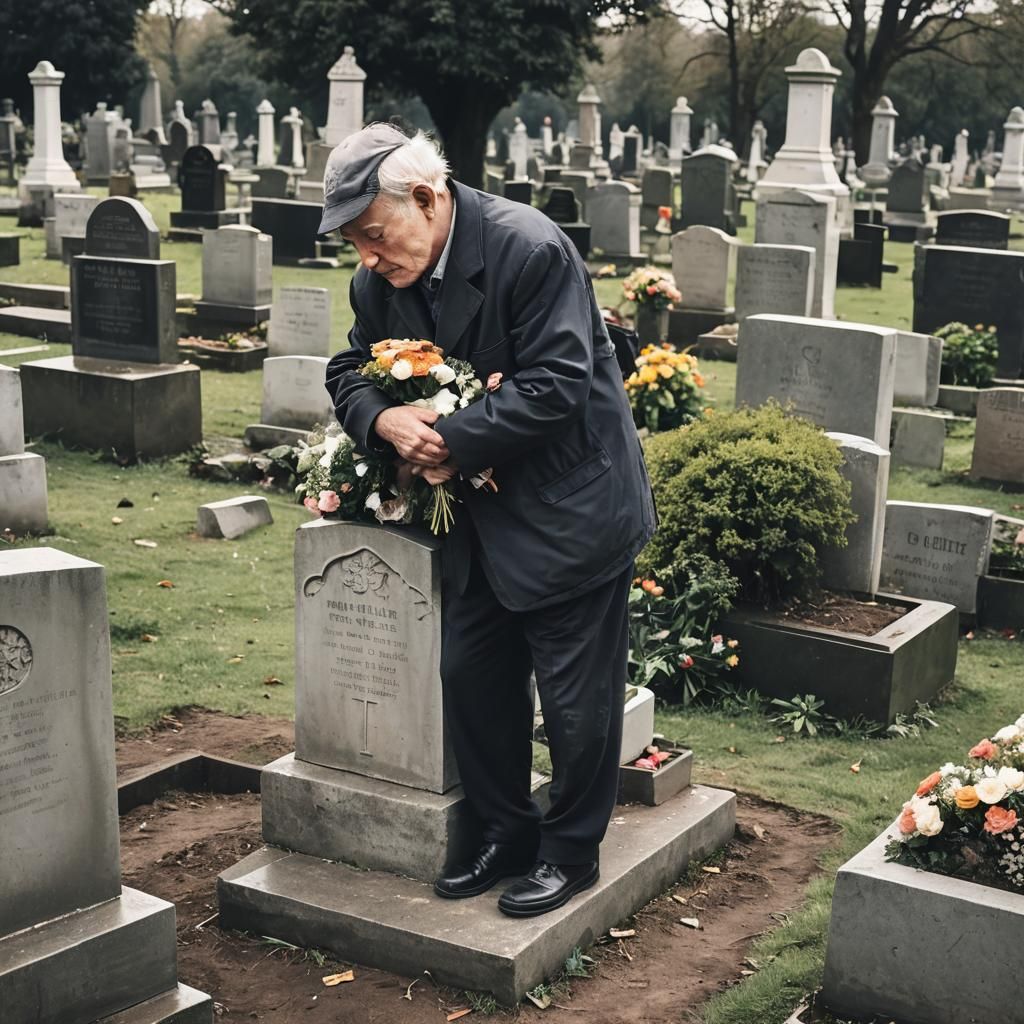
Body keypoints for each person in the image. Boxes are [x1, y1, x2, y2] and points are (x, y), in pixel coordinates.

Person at [321, 122, 655, 918]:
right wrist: (384, 422)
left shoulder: (529, 249)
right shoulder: (378, 284)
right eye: (355, 244)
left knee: (576, 700)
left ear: (428, 200)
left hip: (569, 508)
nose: (368, 258)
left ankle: (571, 853)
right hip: (474, 523)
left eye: (374, 235)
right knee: (474, 679)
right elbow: (348, 368)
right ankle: (506, 832)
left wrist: (446, 440)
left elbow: (557, 383)